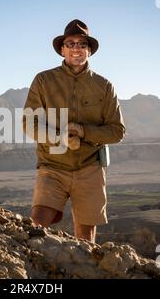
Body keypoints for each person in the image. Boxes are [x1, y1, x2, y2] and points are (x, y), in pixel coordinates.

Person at [22, 19, 126, 243]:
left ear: (89, 50)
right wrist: (60, 137)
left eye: (82, 44)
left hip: (90, 169)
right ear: (62, 49)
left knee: (86, 241)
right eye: (70, 44)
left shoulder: (104, 86)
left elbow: (117, 131)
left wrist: (83, 131)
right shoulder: (43, 80)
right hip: (52, 167)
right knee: (35, 227)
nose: (76, 49)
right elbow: (29, 124)